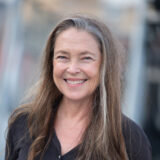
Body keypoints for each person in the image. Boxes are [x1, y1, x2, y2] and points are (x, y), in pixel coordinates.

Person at [5, 15, 152, 160]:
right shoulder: (23, 123)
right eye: (63, 57)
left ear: (104, 67)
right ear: (51, 63)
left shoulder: (130, 139)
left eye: (86, 58)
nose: (73, 69)